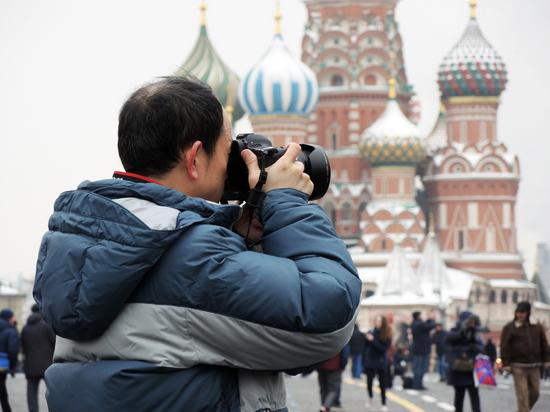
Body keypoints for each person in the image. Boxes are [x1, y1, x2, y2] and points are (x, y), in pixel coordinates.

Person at [33, 76, 361, 411]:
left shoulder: (83, 243)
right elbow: (327, 316)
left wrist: (233, 231)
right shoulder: (193, 257)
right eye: (226, 150)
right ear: (194, 159)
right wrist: (287, 205)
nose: (231, 164)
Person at [500, 301, 550, 412]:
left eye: (522, 312)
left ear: (528, 313)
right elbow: (504, 347)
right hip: (518, 366)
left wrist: (546, 360)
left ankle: (523, 410)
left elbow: (544, 344)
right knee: (522, 395)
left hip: (534, 365)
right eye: (517, 312)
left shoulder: (536, 327)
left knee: (535, 393)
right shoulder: (510, 327)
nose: (519, 315)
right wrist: (506, 364)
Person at [21, 304, 55, 412]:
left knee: (31, 393)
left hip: (30, 365)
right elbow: (54, 343)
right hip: (47, 365)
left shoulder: (25, 328)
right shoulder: (47, 325)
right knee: (53, 392)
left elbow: (23, 347)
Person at [446, 311, 483, 412]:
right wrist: (463, 331)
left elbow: (481, 348)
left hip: (472, 369)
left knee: (474, 397)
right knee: (459, 397)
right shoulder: (455, 331)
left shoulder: (475, 332)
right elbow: (450, 339)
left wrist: (471, 346)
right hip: (458, 369)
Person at [363, 315, 392, 411]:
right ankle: (370, 398)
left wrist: (372, 340)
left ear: (383, 322)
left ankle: (384, 403)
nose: (377, 323)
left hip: (381, 361)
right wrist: (366, 339)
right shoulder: (371, 331)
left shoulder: (387, 334)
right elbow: (366, 346)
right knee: (369, 382)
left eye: (379, 321)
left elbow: (383, 349)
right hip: (370, 360)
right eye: (376, 320)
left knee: (382, 384)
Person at [316, 345, 349, 412]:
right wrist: (343, 366)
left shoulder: (322, 336)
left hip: (321, 366)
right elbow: (345, 353)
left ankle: (323, 406)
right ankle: (325, 407)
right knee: (333, 389)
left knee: (323, 388)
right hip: (335, 367)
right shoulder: (341, 336)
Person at [411, 311, 436, 390]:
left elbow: (426, 325)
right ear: (418, 316)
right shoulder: (418, 324)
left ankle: (418, 384)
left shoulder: (416, 324)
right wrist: (431, 318)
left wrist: (429, 319)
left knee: (419, 368)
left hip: (419, 350)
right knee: (419, 368)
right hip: (421, 350)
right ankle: (417, 385)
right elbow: (431, 326)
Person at [0, 308, 19, 412]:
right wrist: (12, 367)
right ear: (9, 318)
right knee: (2, 391)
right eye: (13, 316)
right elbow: (13, 350)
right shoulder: (11, 330)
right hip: (2, 365)